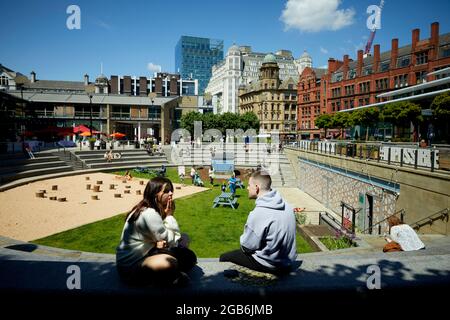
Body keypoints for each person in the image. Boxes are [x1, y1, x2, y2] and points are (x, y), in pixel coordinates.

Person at [116, 177, 197, 286]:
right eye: (166, 191)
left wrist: (159, 243)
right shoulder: (148, 214)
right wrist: (169, 216)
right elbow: (172, 241)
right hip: (131, 267)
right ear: (155, 194)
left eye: (171, 190)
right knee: (172, 261)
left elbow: (160, 237)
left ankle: (169, 274)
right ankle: (167, 278)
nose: (171, 193)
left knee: (185, 240)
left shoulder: (145, 208)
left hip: (145, 256)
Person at [220, 170, 297, 275]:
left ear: (256, 188)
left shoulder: (259, 213)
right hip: (288, 262)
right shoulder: (287, 205)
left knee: (225, 257)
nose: (247, 188)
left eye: (249, 185)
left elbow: (246, 247)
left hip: (272, 265)